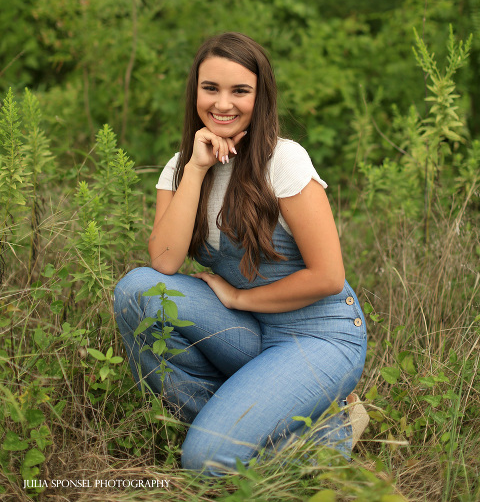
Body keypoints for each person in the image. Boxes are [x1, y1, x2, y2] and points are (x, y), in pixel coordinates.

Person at [114, 32, 368, 476]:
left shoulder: (283, 161)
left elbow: (328, 276)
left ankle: (333, 428)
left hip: (318, 336)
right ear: (195, 90)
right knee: (137, 290)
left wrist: (237, 299)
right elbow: (165, 262)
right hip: (248, 335)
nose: (223, 104)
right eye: (211, 88)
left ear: (260, 96)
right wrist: (195, 169)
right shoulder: (181, 166)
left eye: (240, 91)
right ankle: (266, 423)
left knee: (204, 461)